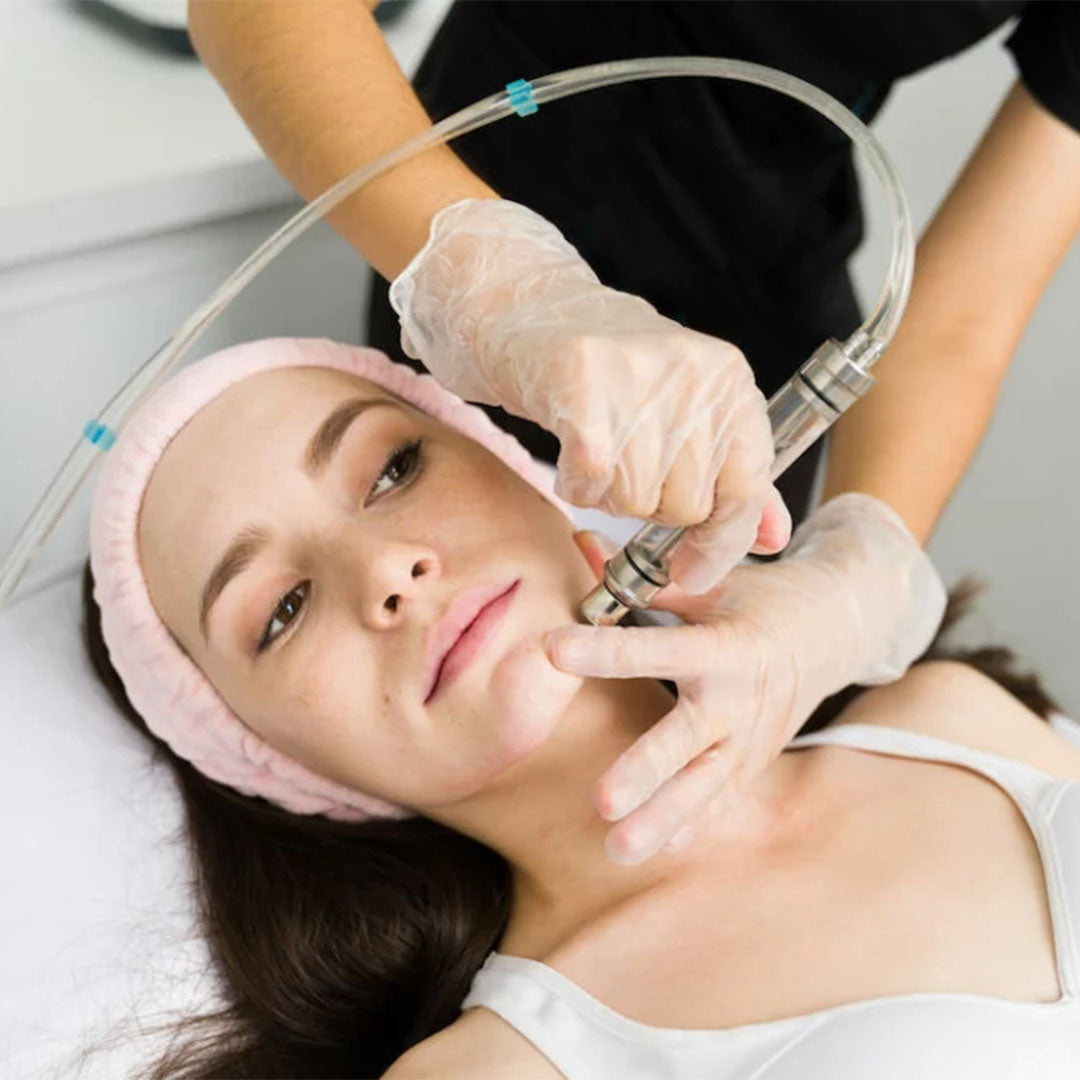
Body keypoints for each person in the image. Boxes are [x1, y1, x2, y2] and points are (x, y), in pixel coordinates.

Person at [82, 338, 1080, 1078]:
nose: (386, 570)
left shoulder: (954, 717)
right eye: (283, 611)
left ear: (530, 483)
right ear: (279, 765)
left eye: (393, 468)